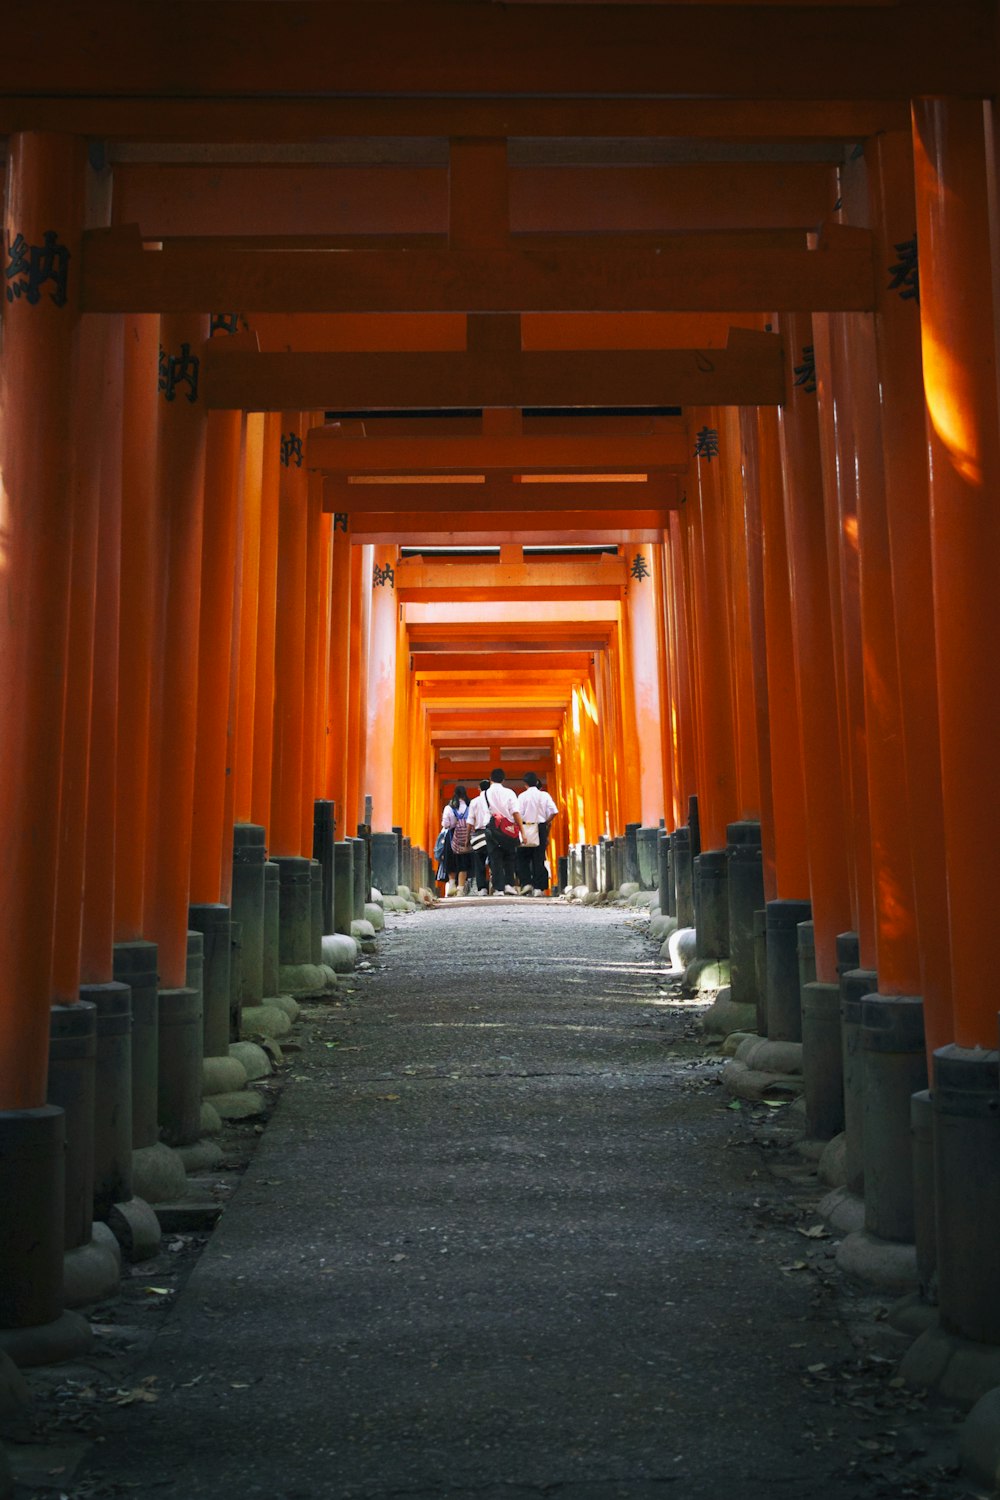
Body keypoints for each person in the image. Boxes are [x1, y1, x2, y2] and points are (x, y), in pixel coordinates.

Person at [517, 771, 559, 895]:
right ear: (536, 782)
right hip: (540, 827)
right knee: (539, 857)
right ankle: (538, 888)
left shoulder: (522, 796)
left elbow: (518, 814)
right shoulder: (544, 795)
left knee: (522, 857)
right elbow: (554, 811)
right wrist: (546, 822)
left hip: (526, 827)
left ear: (525, 784)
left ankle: (526, 883)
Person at [483, 767, 524, 896]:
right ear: (503, 779)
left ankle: (498, 888)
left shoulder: (484, 794)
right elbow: (515, 812)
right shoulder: (509, 793)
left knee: (495, 858)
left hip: (492, 828)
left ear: (490, 779)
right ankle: (509, 884)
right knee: (509, 857)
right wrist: (522, 831)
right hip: (508, 828)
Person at [440, 783, 472, 896]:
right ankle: (460, 888)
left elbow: (446, 824)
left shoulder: (449, 808)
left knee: (450, 860)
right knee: (463, 861)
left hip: (451, 836)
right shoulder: (469, 807)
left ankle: (452, 884)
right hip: (465, 837)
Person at [465, 778, 492, 894]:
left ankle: (482, 888)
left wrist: (467, 839)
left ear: (479, 788)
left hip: (479, 834)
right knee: (495, 859)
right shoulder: (493, 800)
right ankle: (495, 883)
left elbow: (470, 821)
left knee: (479, 861)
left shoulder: (474, 802)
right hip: (492, 833)